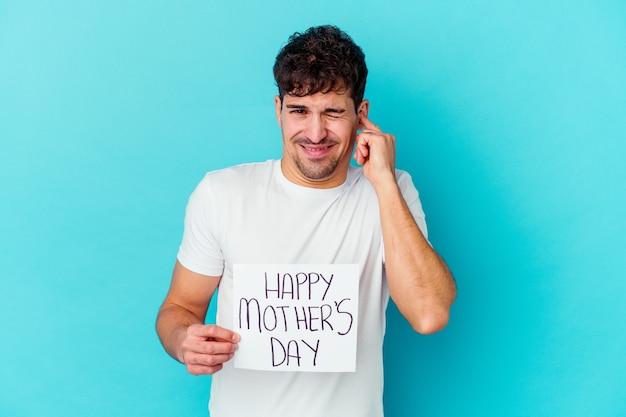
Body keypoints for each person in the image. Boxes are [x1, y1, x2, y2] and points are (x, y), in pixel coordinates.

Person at [156, 25, 456, 417]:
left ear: (360, 115)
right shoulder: (221, 193)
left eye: (333, 112)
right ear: (279, 110)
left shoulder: (393, 190)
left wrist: (383, 182)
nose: (315, 133)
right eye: (300, 111)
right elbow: (180, 305)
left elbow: (430, 313)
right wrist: (184, 340)